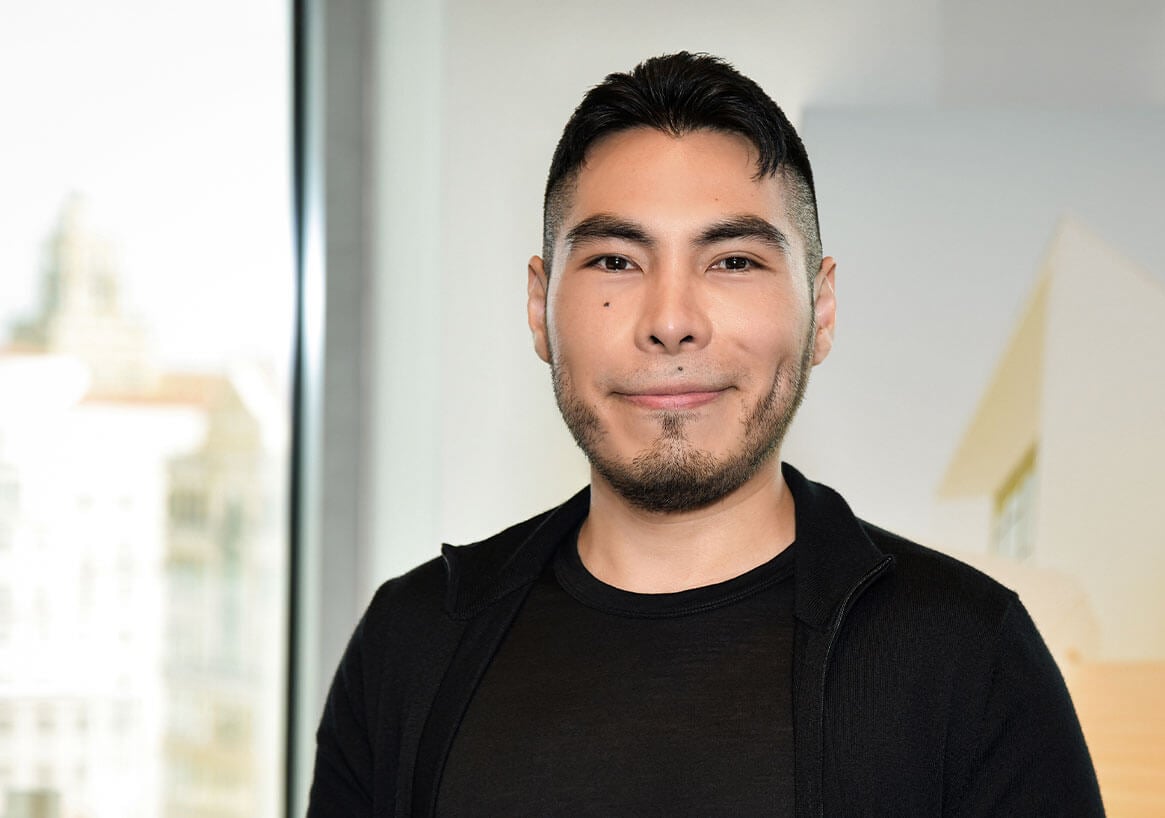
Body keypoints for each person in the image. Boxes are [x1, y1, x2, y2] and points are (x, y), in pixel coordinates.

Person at [308, 52, 1104, 817]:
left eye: (733, 262)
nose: (672, 321)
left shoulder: (967, 657)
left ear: (822, 309)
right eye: (615, 261)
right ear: (539, 307)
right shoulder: (412, 642)